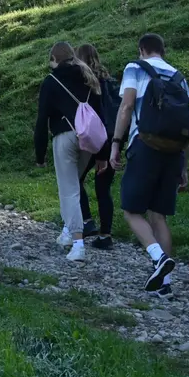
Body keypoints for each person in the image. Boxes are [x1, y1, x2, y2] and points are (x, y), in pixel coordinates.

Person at [109, 33, 189, 294]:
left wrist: (115, 143)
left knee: (131, 211)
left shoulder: (135, 67)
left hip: (144, 146)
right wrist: (184, 165)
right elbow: (188, 123)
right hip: (173, 151)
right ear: (163, 50)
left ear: (142, 49)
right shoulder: (178, 75)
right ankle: (164, 285)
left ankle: (159, 258)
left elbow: (127, 106)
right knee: (159, 215)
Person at [34, 42, 101, 261]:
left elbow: (42, 120)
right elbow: (101, 111)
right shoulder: (88, 76)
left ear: (54, 58)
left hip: (65, 136)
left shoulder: (51, 81)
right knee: (75, 184)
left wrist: (40, 154)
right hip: (90, 139)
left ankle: (78, 243)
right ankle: (66, 232)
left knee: (69, 189)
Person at [76, 43, 119, 250]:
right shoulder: (111, 81)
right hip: (112, 139)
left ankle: (86, 221)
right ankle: (106, 235)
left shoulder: (85, 82)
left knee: (76, 179)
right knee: (103, 189)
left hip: (92, 139)